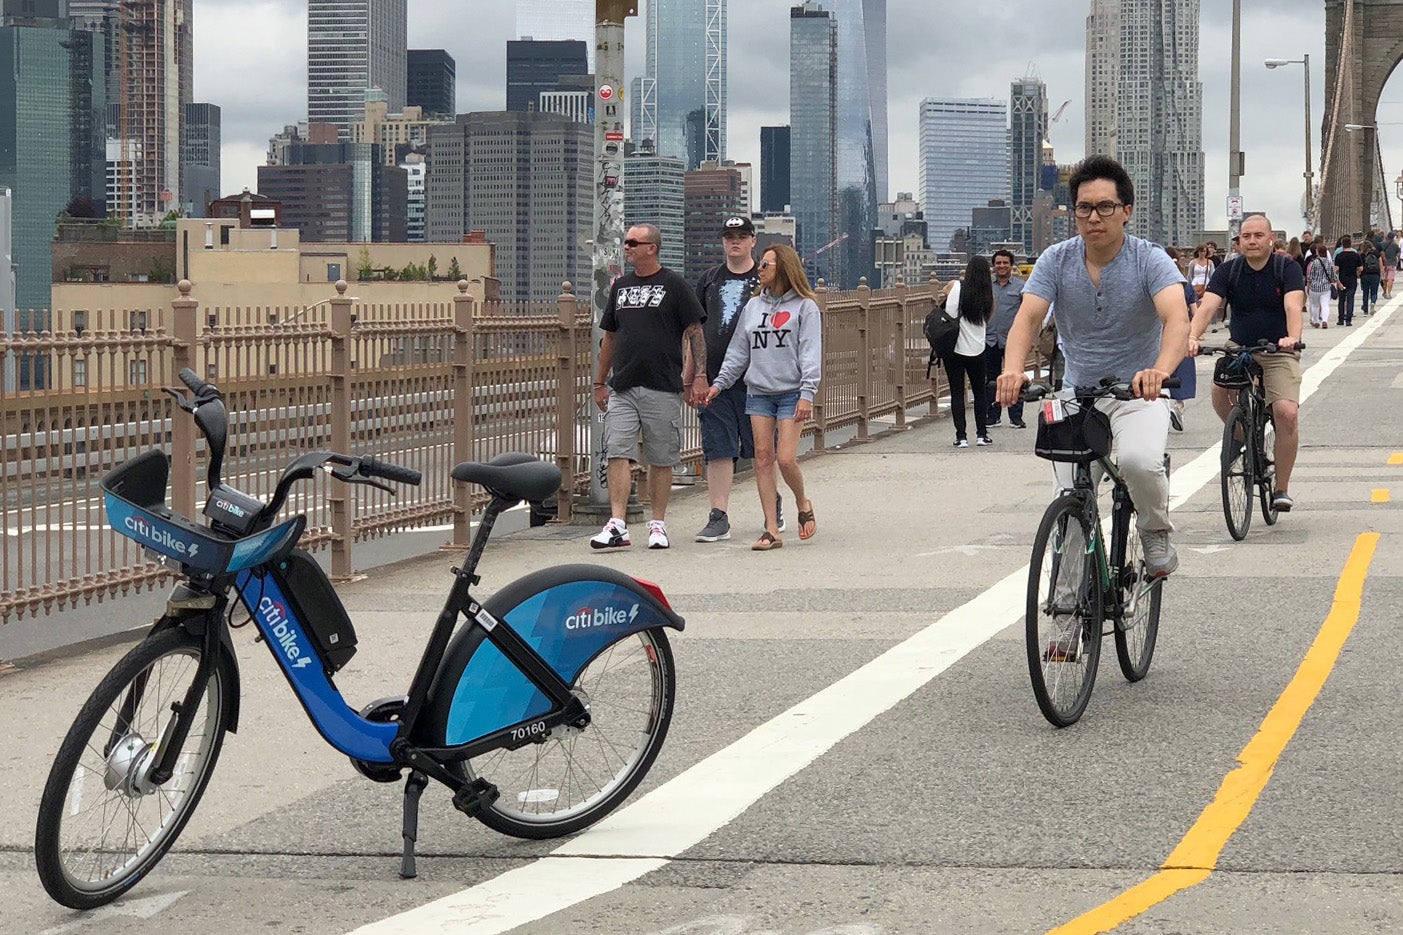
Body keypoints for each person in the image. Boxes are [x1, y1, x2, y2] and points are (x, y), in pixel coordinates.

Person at [995, 155, 1188, 579]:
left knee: (1139, 462)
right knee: (1068, 505)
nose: (1094, 217)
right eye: (1084, 208)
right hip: (1076, 394)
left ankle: (1155, 528)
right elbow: (1027, 319)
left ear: (1126, 211)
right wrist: (1012, 370)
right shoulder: (1056, 260)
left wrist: (1158, 370)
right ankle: (1065, 628)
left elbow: (1176, 318)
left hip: (1137, 392)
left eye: (1105, 207)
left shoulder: (1149, 259)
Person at [591, 223, 707, 551]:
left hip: (662, 385)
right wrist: (600, 382)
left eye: (632, 242)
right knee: (617, 451)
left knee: (661, 457)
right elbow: (610, 337)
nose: (626, 247)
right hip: (623, 385)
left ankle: (658, 523)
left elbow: (695, 332)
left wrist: (699, 376)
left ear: (651, 248)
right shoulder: (621, 286)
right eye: (626, 242)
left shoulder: (674, 285)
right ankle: (617, 524)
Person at [703, 244, 821, 551]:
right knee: (763, 460)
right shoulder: (753, 307)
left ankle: (802, 501)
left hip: (792, 392)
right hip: (758, 392)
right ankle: (771, 528)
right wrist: (719, 384)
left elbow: (810, 353)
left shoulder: (805, 307)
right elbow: (738, 352)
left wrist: (807, 393)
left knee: (785, 458)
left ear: (782, 268)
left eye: (766, 265)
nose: (760, 270)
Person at [1188, 214, 1305, 513]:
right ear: (1238, 241)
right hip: (1240, 346)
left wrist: (1292, 338)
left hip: (1278, 349)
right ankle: (1244, 436)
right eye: (1246, 236)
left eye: (1258, 235)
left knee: (1286, 413)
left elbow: (1293, 305)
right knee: (1219, 392)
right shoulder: (1229, 271)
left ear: (1270, 239)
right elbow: (1209, 306)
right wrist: (1192, 335)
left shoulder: (1286, 268)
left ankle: (1281, 487)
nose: (1252, 241)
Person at [691, 215, 784, 542]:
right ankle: (719, 515)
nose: (736, 242)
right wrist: (694, 376)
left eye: (742, 236)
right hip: (716, 380)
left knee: (763, 451)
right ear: (722, 241)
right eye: (730, 236)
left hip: (760, 381)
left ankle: (773, 508)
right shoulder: (708, 280)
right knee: (717, 448)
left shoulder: (768, 278)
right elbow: (694, 331)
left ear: (752, 241)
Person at [939, 255, 994, 447]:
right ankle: (981, 435)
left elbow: (943, 294)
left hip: (953, 348)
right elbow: (988, 318)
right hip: (977, 348)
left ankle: (961, 437)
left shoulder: (955, 286)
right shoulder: (987, 295)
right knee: (979, 392)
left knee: (956, 392)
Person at [984, 249, 1027, 428]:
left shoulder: (1021, 287)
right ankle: (993, 415)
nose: (1002, 266)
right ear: (993, 266)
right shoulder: (986, 286)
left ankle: (1016, 417)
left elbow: (1027, 314)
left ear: (1011, 265)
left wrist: (1029, 339)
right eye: (998, 263)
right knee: (991, 379)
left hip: (1013, 340)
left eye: (1005, 263)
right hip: (989, 339)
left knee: (1016, 377)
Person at [1165, 246, 1198, 432]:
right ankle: (1178, 406)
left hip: (1161, 333)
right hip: (1182, 332)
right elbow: (1195, 311)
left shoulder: (1159, 284)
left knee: (1162, 372)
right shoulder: (1185, 285)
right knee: (1183, 372)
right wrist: (1195, 334)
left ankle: (1163, 409)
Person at [1303, 241, 1339, 329]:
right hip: (1325, 287)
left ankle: (1316, 321)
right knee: (1325, 304)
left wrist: (1308, 285)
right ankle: (1324, 320)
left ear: (1318, 252)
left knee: (1315, 305)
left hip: (1314, 287)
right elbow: (1333, 275)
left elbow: (1310, 275)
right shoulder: (1329, 262)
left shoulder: (1314, 262)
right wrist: (1336, 281)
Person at [1333, 235, 1362, 326]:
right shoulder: (1356, 255)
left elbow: (1336, 269)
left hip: (1342, 280)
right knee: (1350, 299)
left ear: (1342, 245)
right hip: (1352, 279)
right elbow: (1361, 268)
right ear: (1351, 244)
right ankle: (1348, 320)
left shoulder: (1339, 256)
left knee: (1341, 299)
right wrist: (1356, 273)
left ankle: (1341, 319)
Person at [1359, 240, 1382, 315]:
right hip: (1375, 274)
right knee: (1374, 292)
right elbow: (1380, 262)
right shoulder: (1376, 253)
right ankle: (1372, 302)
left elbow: (1360, 266)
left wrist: (1359, 274)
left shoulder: (1362, 254)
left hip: (1365, 275)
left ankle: (1365, 309)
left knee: (1365, 292)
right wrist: (1380, 272)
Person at [1383, 231, 1400, 299]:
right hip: (1392, 263)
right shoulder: (1395, 245)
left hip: (1384, 264)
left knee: (1384, 279)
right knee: (1390, 279)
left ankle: (1384, 292)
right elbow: (1398, 254)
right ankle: (1389, 293)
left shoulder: (1382, 244)